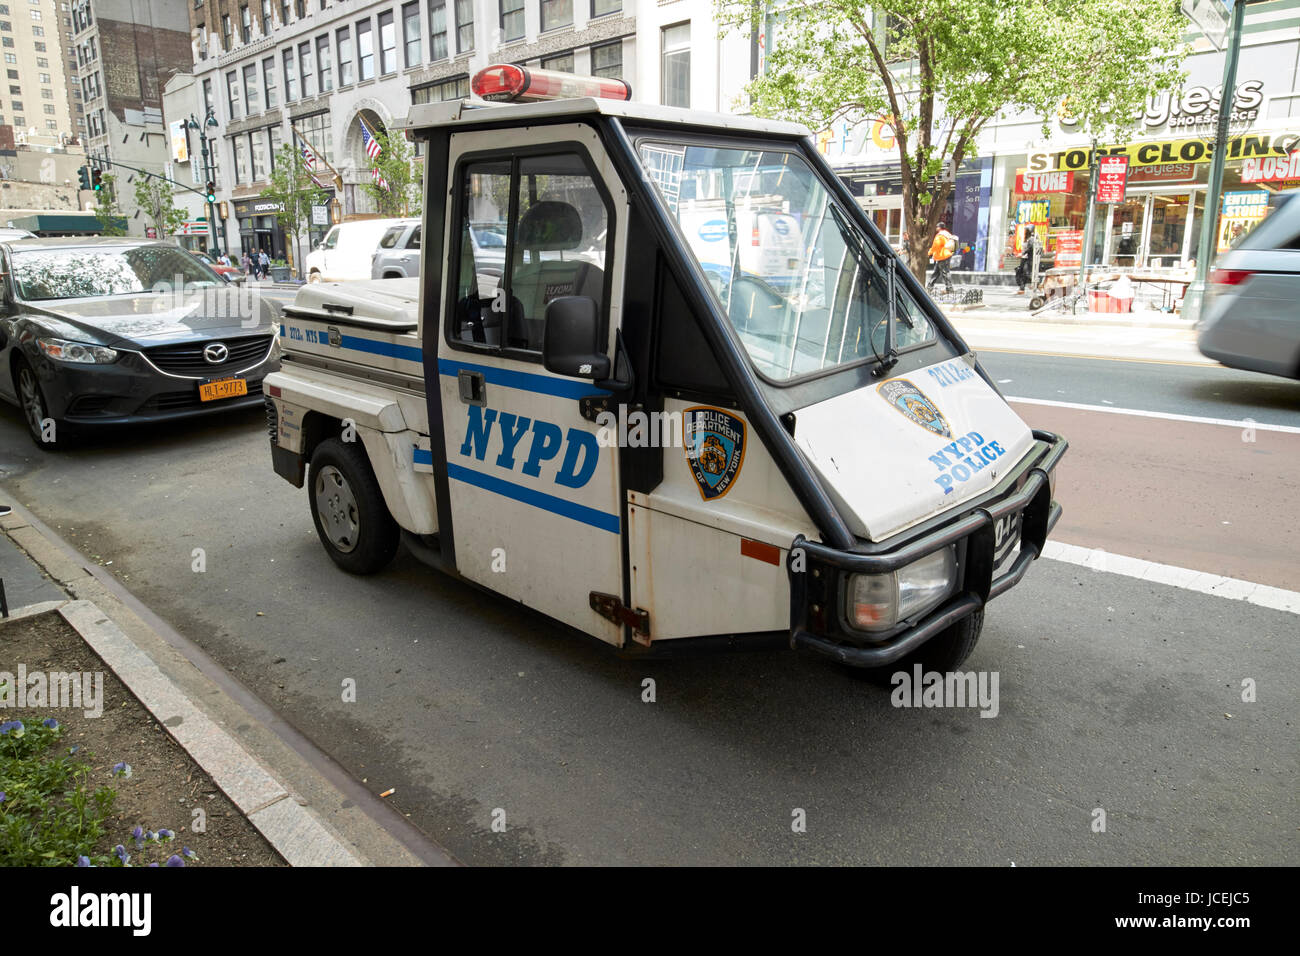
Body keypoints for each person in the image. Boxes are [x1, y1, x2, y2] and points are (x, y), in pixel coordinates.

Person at [927, 221, 957, 294]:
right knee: (936, 272)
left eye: (937, 227)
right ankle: (929, 287)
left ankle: (949, 289)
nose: (936, 228)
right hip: (947, 255)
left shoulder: (940, 235)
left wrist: (929, 252)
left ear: (939, 228)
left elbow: (936, 246)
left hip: (942, 256)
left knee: (945, 273)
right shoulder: (947, 234)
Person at [1016, 225, 1042, 295]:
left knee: (1026, 273)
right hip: (1025, 258)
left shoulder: (1032, 239)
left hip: (1029, 259)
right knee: (1022, 273)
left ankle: (1038, 285)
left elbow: (1029, 248)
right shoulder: (1028, 239)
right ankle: (1022, 288)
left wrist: (1022, 254)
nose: (1025, 232)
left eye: (1026, 230)